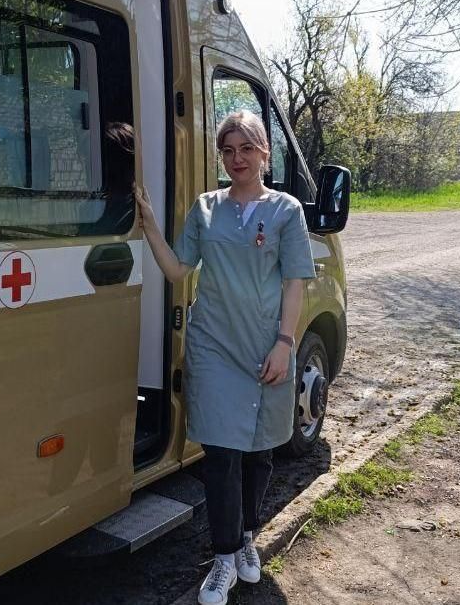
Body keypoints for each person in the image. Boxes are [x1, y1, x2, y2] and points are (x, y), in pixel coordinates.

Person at [135, 110, 315, 605]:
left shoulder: (285, 210)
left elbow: (295, 281)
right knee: (221, 453)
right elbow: (177, 269)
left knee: (259, 450)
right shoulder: (206, 208)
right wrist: (150, 225)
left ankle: (247, 538)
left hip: (265, 345)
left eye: (246, 149)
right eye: (228, 151)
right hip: (213, 343)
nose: (237, 159)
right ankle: (222, 558)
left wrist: (284, 342)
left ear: (264, 152)